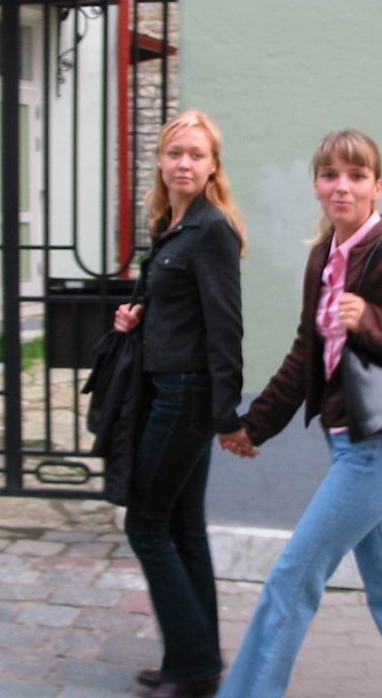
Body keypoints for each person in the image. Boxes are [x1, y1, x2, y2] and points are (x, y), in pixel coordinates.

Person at [218, 128, 382, 698]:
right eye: (330, 175)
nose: (343, 187)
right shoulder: (323, 259)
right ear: (315, 185)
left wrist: (374, 322)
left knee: (293, 577)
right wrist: (253, 425)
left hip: (378, 448)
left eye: (357, 176)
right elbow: (306, 354)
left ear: (377, 186)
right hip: (345, 441)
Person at [114, 109, 247, 698]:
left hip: (187, 395)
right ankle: (195, 662)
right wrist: (136, 317)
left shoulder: (212, 229)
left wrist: (226, 414)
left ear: (213, 165)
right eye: (175, 153)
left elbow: (225, 326)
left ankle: (191, 667)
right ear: (161, 162)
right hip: (169, 387)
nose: (184, 163)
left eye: (196, 154)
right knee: (183, 526)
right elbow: (178, 308)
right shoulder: (171, 224)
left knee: (145, 525)